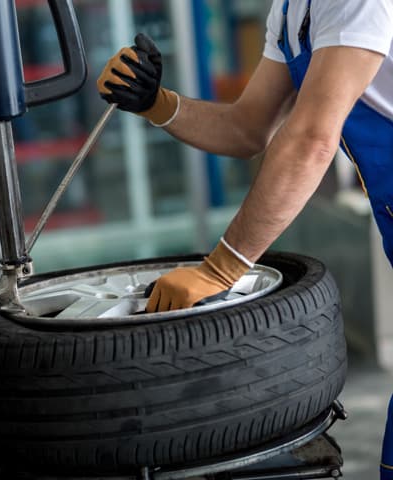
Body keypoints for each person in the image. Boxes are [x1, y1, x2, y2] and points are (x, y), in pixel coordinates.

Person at [97, 1, 393, 477]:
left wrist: (221, 269)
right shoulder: (292, 10)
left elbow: (312, 138)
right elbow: (247, 128)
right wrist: (156, 102)